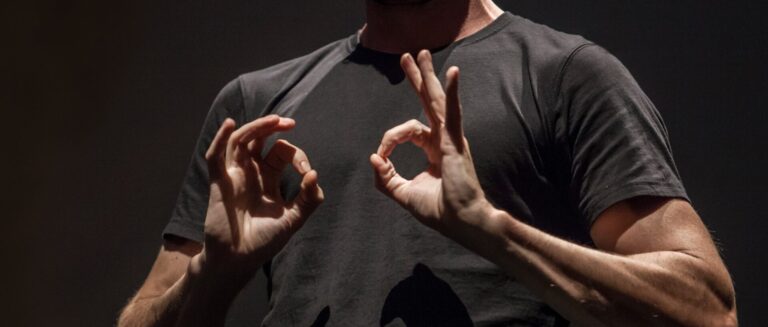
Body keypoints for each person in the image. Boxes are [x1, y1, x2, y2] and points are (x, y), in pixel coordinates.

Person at [118, 0, 737, 326]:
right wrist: (215, 276)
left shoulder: (567, 78)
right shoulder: (258, 104)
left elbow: (705, 311)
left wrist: (493, 231)